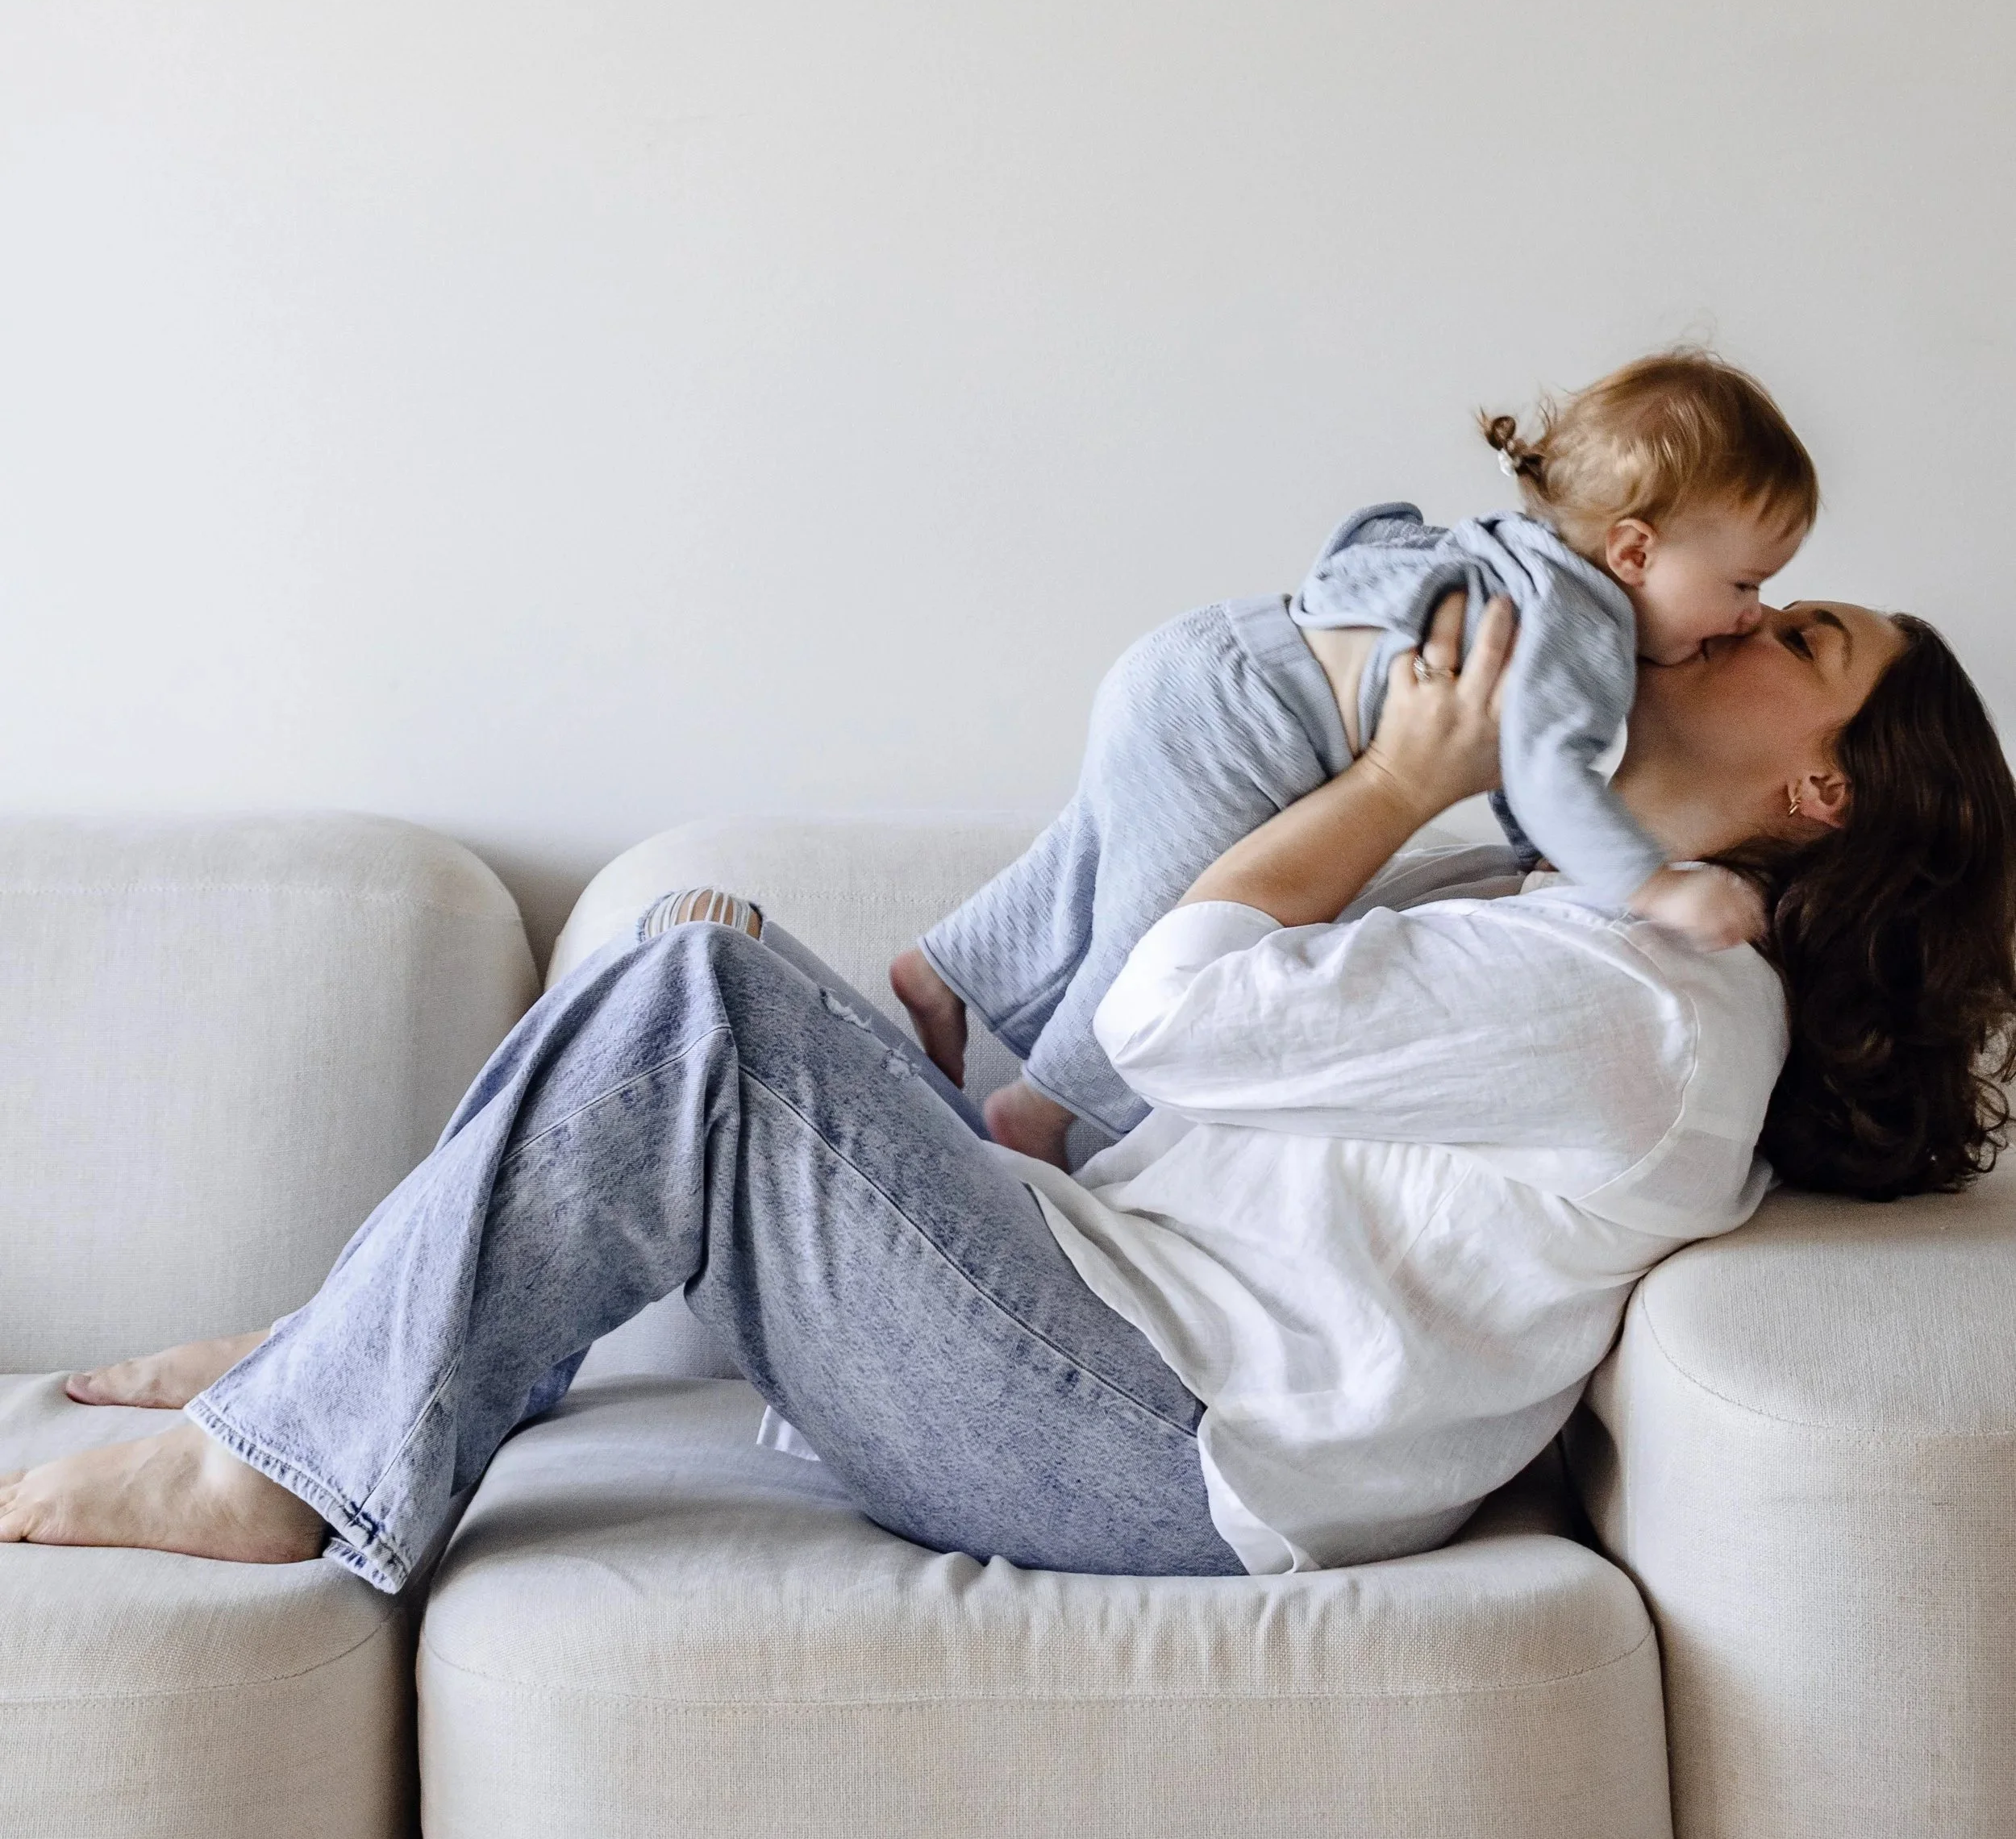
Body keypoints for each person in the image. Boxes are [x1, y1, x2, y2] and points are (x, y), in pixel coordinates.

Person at [4, 583, 2010, 1584]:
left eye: (1793, 630)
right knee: (686, 932)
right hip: (1108, 1315)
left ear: (1818, 788)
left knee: (696, 996)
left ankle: (274, 1469)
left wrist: (1397, 778)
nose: (1724, 612)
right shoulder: (1604, 926)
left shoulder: (1649, 1010)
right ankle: (359, 1342)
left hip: (1156, 1446)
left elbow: (1184, 1011)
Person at [898, 350, 1819, 1167]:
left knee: (1088, 847)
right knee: (1154, 932)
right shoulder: (1582, 637)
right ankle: (1040, 1113)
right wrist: (1655, 887)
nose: (1750, 615)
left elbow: (1507, 755)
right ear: (1632, 552)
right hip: (1246, 733)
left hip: (1204, 655)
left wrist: (1527, 851)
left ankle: (944, 966)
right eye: (1743, 585)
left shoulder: (1522, 556)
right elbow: (1546, 774)